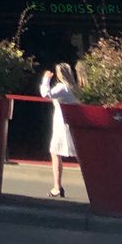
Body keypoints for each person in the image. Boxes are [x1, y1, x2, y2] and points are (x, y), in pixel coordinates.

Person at [40, 62, 79, 198]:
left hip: (62, 125)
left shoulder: (62, 88)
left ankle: (57, 186)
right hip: (73, 124)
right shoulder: (76, 88)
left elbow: (46, 94)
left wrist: (46, 79)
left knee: (55, 152)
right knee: (80, 154)